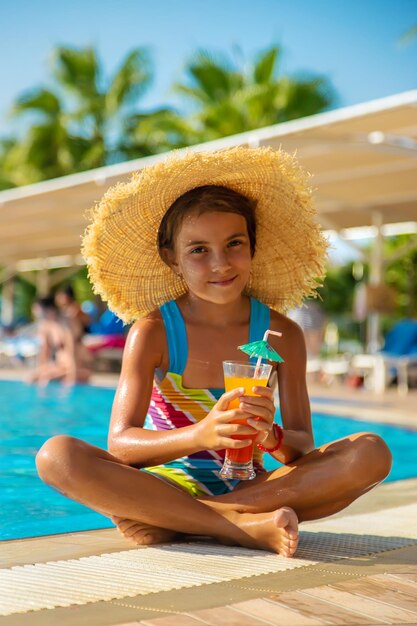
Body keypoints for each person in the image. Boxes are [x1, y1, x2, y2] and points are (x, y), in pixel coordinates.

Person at [36, 147, 392, 557]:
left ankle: (189, 518)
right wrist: (201, 434)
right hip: (166, 483)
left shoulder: (281, 334)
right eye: (199, 250)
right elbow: (121, 445)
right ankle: (236, 527)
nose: (220, 263)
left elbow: (300, 446)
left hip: (255, 487)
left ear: (253, 247)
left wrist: (270, 436)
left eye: (234, 243)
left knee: (370, 452)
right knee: (56, 456)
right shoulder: (154, 332)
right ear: (172, 259)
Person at [29, 296, 91, 386]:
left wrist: (72, 378)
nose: (39, 316)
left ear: (50, 310)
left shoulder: (66, 323)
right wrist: (42, 370)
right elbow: (44, 352)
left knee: (47, 380)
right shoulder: (46, 326)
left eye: (40, 313)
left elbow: (72, 350)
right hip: (61, 366)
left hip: (79, 367)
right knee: (32, 378)